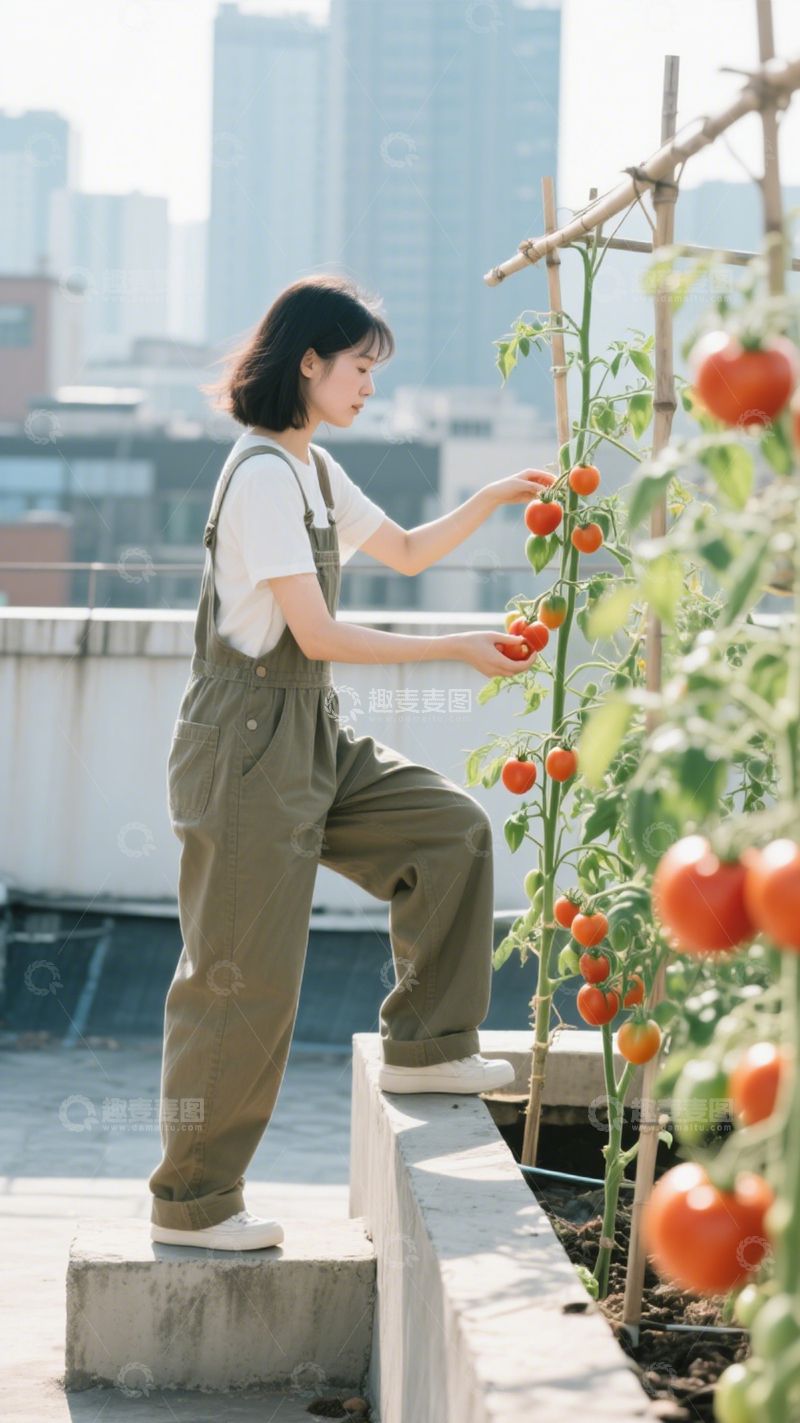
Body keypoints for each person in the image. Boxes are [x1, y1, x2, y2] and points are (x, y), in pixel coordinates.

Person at [149, 273, 549, 1251]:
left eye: (375, 368)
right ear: (309, 362)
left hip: (307, 734)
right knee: (241, 980)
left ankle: (426, 1046)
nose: (369, 382)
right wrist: (452, 647)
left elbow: (407, 550)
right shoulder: (258, 477)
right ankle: (194, 1200)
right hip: (245, 749)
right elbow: (316, 633)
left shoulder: (312, 469)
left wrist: (493, 495)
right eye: (360, 365)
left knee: (447, 830)